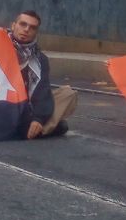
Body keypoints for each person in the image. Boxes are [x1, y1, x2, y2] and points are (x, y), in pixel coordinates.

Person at [8, 11, 76, 139]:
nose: (26, 30)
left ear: (36, 32)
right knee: (61, 126)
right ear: (13, 25)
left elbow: (42, 91)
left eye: (32, 27)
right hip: (1, 105)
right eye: (23, 24)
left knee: (68, 94)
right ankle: (43, 128)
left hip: (26, 108)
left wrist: (38, 118)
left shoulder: (40, 59)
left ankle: (34, 127)